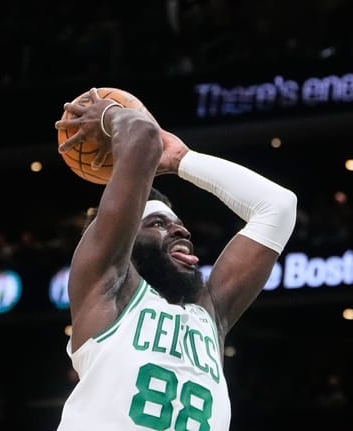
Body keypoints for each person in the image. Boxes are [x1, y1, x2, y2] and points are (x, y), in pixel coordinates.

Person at [53, 88, 297, 431]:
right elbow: (143, 136)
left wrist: (183, 160)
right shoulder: (108, 290)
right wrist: (109, 114)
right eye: (158, 224)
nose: (181, 232)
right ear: (126, 240)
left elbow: (279, 207)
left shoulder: (208, 314)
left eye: (180, 226)